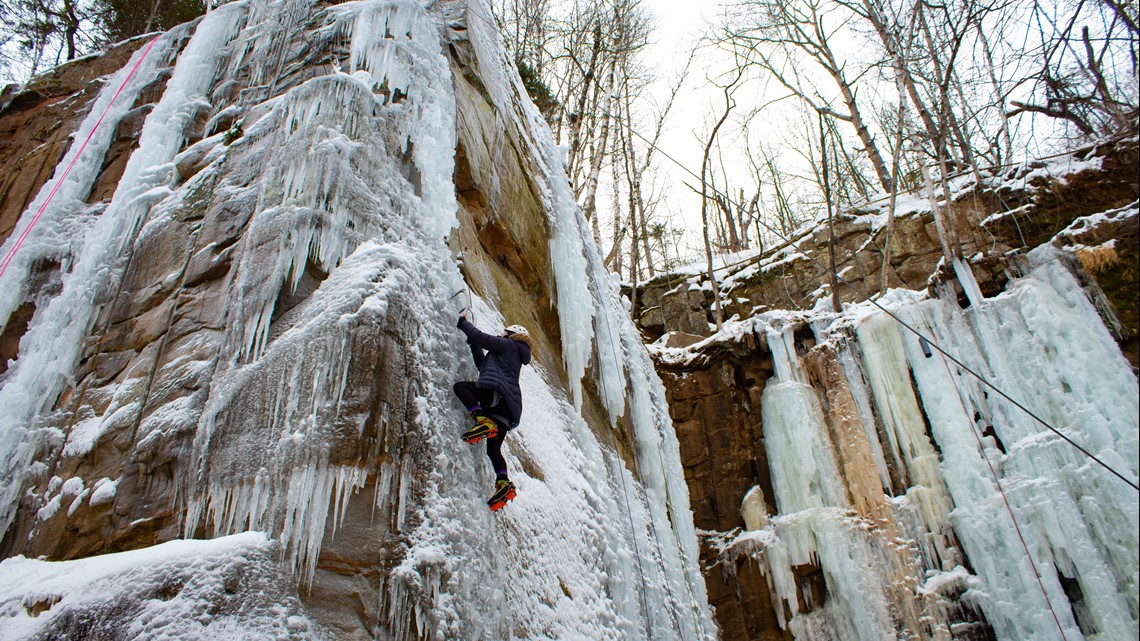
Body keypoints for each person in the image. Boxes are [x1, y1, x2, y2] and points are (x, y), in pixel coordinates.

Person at [453, 314, 533, 510]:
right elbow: (483, 366)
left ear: (512, 335)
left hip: (497, 396)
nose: (501, 334)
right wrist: (473, 345)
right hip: (507, 409)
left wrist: (463, 323)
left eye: (504, 333)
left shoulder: (509, 346)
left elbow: (482, 337)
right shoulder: (509, 355)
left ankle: (482, 420)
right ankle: (503, 482)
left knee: (461, 388)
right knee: (493, 449)